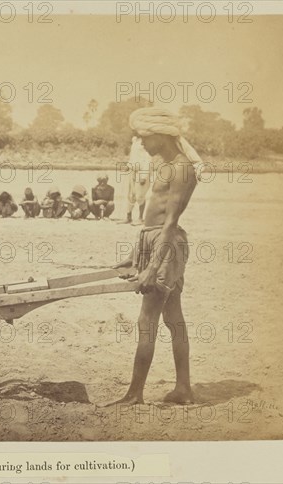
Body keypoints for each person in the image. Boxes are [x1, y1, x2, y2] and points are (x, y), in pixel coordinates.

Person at [110, 107, 202, 406]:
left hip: (166, 244)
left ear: (160, 136)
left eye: (143, 138)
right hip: (155, 240)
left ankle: (134, 394)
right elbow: (153, 218)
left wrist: (151, 267)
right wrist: (134, 256)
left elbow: (169, 224)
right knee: (173, 316)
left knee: (146, 320)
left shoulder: (181, 168)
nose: (141, 144)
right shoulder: (165, 165)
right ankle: (183, 389)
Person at [121, 136, 152, 224]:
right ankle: (128, 217)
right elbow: (133, 158)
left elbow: (148, 160)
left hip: (142, 171)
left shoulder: (147, 140)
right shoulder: (135, 140)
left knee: (140, 196)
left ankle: (140, 218)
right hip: (133, 171)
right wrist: (128, 166)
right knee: (130, 195)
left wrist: (144, 176)